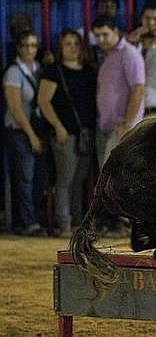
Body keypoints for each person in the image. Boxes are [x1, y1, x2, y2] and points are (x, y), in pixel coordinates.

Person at [37, 29, 97, 238]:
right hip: (65, 134)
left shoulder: (89, 71)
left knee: (79, 180)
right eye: (67, 44)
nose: (72, 48)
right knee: (65, 180)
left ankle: (77, 223)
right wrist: (58, 126)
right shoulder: (54, 71)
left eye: (75, 43)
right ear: (60, 49)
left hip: (85, 134)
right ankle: (64, 224)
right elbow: (43, 102)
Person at [2, 30, 47, 236]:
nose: (30, 49)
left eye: (33, 45)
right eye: (26, 46)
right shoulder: (13, 72)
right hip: (20, 130)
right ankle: (27, 222)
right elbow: (15, 107)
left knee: (38, 177)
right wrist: (31, 135)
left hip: (35, 129)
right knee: (25, 177)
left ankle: (32, 218)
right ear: (18, 48)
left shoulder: (37, 68)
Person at [91, 15, 145, 167]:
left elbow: (138, 89)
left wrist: (127, 124)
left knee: (116, 179)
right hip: (107, 127)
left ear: (116, 32)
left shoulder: (129, 54)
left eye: (105, 34)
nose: (101, 39)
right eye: (97, 36)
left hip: (121, 128)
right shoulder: (109, 55)